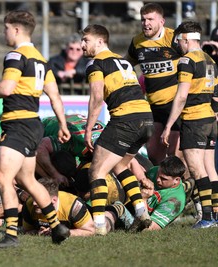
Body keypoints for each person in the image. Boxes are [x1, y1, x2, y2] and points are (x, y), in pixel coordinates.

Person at [0, 10, 71, 248]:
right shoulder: (41, 59)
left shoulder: (15, 56)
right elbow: (54, 95)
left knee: (2, 176)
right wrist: (63, 124)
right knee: (27, 180)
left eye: (5, 28)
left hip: (19, 124)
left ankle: (11, 235)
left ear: (15, 29)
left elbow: (6, 88)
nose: (4, 33)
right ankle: (57, 227)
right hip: (34, 124)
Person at [81, 24, 154, 235]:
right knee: (121, 165)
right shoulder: (123, 61)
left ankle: (99, 226)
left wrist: (88, 130)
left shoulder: (96, 64)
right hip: (146, 119)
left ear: (101, 41)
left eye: (86, 40)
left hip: (126, 119)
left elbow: (96, 98)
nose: (82, 45)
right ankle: (141, 213)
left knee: (96, 171)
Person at [161, 21, 218, 229]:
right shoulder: (210, 59)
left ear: (185, 39)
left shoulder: (186, 61)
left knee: (196, 169)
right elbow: (217, 95)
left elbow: (182, 96)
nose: (177, 44)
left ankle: (207, 218)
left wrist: (168, 126)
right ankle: (216, 215)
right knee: (210, 168)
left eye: (178, 40)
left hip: (194, 120)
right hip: (210, 120)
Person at [125, 3, 182, 166]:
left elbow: (198, 61)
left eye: (150, 19)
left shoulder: (174, 39)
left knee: (175, 157)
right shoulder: (137, 42)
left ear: (162, 21)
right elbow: (126, 64)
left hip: (175, 105)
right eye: (143, 19)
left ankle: (184, 189)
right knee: (154, 156)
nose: (146, 23)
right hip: (154, 106)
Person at [105, 155, 187, 231]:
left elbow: (148, 229)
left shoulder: (175, 201)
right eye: (158, 174)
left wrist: (143, 199)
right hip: (130, 205)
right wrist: (143, 178)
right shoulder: (156, 171)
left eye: (163, 179)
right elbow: (131, 162)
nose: (158, 179)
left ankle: (99, 228)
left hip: (139, 223)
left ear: (176, 180)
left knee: (118, 208)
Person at [36, 114, 105, 187]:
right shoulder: (75, 140)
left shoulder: (110, 136)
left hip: (73, 122)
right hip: (43, 130)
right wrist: (55, 175)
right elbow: (40, 148)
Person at [22, 178, 95, 237]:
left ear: (54, 200)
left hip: (91, 214)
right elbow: (26, 231)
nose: (34, 203)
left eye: (38, 200)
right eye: (34, 197)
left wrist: (63, 232)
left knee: (104, 224)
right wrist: (38, 232)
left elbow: (90, 231)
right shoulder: (29, 203)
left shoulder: (72, 205)